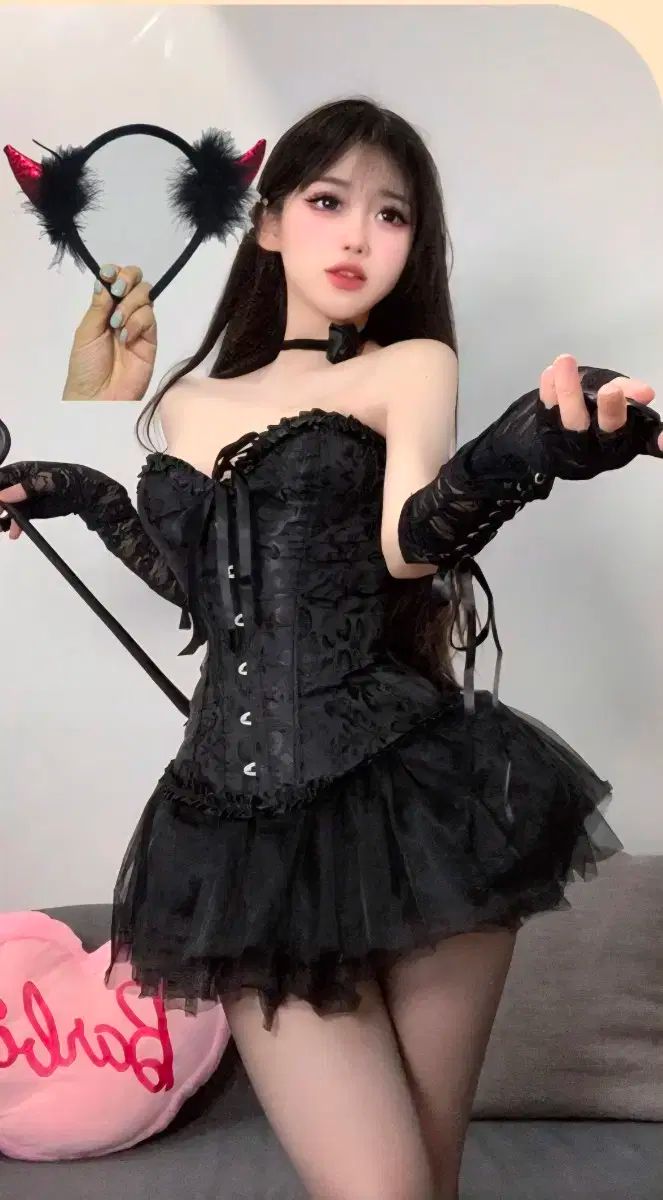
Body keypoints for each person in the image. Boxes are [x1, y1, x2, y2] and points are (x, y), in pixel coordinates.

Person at [1, 96, 661, 1200]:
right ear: (267, 223)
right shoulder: (186, 402)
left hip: (418, 803)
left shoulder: (407, 367)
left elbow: (410, 543)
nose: (359, 234)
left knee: (420, 1186)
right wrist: (87, 495)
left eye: (392, 214)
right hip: (239, 831)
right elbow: (207, 596)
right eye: (327, 201)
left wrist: (533, 446)